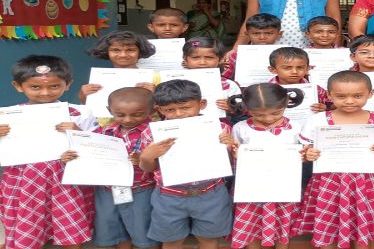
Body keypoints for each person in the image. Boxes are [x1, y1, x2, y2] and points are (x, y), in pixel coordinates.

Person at [1, 55, 97, 249]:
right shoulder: (5, 115)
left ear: (67, 84)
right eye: (35, 87)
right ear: (18, 86)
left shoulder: (79, 113)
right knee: (29, 219)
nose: (45, 93)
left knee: (69, 219)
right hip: (25, 180)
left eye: (54, 86)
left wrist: (78, 132)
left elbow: (96, 146)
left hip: (66, 178)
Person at [294, 71, 374, 248]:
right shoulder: (317, 120)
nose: (349, 101)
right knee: (327, 220)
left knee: (361, 219)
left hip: (365, 180)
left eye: (357, 96)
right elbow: (306, 149)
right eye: (341, 96)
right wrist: (309, 154)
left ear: (370, 94)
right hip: (328, 181)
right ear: (329, 95)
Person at [139, 80, 235, 249]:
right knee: (171, 241)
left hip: (211, 192)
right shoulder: (153, 133)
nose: (179, 114)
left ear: (202, 104)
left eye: (185, 107)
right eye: (170, 110)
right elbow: (148, 168)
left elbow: (228, 163)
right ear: (159, 109)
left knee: (209, 239)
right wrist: (147, 156)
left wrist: (229, 147)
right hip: (169, 196)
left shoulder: (219, 128)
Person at [62, 87, 158, 249]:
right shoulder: (106, 131)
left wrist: (143, 159)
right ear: (109, 111)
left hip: (141, 189)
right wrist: (70, 157)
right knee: (113, 226)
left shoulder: (154, 132)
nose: (128, 119)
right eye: (120, 115)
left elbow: (162, 163)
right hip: (107, 190)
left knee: (142, 228)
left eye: (137, 114)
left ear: (152, 110)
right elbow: (89, 149)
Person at [228, 83, 302, 249]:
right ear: (246, 108)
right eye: (258, 114)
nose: (268, 119)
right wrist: (237, 154)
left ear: (286, 103)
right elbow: (235, 157)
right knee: (251, 223)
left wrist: (304, 156)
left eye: (275, 113)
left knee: (283, 223)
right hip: (252, 187)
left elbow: (300, 155)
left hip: (284, 185)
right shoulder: (240, 128)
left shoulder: (295, 127)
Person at [81, 31, 157, 103]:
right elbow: (92, 106)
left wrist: (156, 95)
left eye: (130, 50)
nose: (123, 55)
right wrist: (83, 96)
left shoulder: (154, 78)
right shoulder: (99, 78)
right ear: (106, 52)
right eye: (115, 50)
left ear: (140, 52)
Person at [182, 37, 243, 125]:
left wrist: (230, 108)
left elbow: (240, 110)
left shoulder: (229, 85)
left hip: (219, 127)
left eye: (209, 57)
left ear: (220, 59)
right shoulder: (175, 82)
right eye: (195, 57)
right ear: (185, 59)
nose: (202, 62)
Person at [221, 13, 282, 81]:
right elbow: (225, 78)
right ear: (247, 34)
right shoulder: (236, 56)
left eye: (268, 33)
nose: (262, 37)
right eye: (256, 33)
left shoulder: (285, 55)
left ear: (279, 34)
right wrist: (221, 67)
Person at [267, 47, 331, 113]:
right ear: (273, 69)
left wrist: (326, 108)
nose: (294, 72)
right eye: (287, 68)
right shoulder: (265, 91)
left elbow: (332, 104)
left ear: (307, 69)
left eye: (300, 67)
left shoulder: (316, 90)